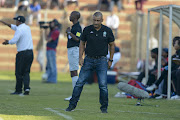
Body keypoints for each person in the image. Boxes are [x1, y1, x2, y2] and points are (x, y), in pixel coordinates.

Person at [66, 12, 115, 113]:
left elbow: (112, 45)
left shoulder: (107, 30)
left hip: (102, 60)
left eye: (98, 20)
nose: (96, 23)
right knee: (79, 83)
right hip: (89, 59)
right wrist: (80, 57)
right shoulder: (87, 30)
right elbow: (82, 43)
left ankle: (104, 107)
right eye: (94, 20)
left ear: (102, 20)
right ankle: (72, 105)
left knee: (103, 85)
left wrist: (110, 59)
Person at [1, 16, 34, 95]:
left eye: (16, 21)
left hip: (22, 53)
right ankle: (26, 89)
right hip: (30, 53)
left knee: (19, 72)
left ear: (19, 22)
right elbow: (14, 27)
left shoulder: (19, 29)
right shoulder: (27, 28)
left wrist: (8, 42)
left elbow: (14, 40)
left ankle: (18, 90)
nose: (15, 22)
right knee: (26, 72)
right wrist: (6, 24)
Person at [64, 11, 82, 101]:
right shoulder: (73, 27)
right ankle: (74, 94)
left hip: (75, 50)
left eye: (71, 15)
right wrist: (68, 33)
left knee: (74, 71)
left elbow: (78, 39)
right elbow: (71, 38)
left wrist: (69, 33)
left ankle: (76, 96)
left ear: (75, 17)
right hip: (71, 49)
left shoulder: (78, 27)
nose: (69, 16)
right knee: (72, 71)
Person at [42, 19, 60, 83]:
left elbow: (49, 40)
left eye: (52, 23)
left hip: (52, 50)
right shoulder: (52, 31)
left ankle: (53, 79)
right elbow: (46, 38)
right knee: (49, 66)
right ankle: (49, 79)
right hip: (48, 49)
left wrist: (47, 29)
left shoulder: (56, 31)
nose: (50, 25)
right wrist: (45, 30)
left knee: (52, 65)